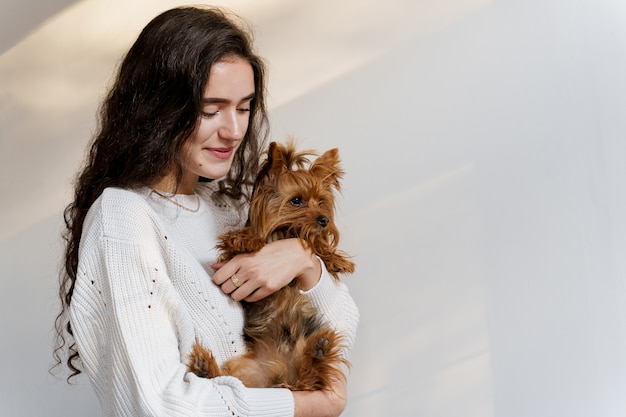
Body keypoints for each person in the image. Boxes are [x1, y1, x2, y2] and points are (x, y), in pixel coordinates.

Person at [52, 6, 359, 417]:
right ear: (160, 110)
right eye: (210, 110)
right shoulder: (124, 218)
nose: (233, 130)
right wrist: (306, 406)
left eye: (244, 107)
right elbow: (160, 404)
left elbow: (335, 339)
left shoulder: (233, 207)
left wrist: (304, 263)